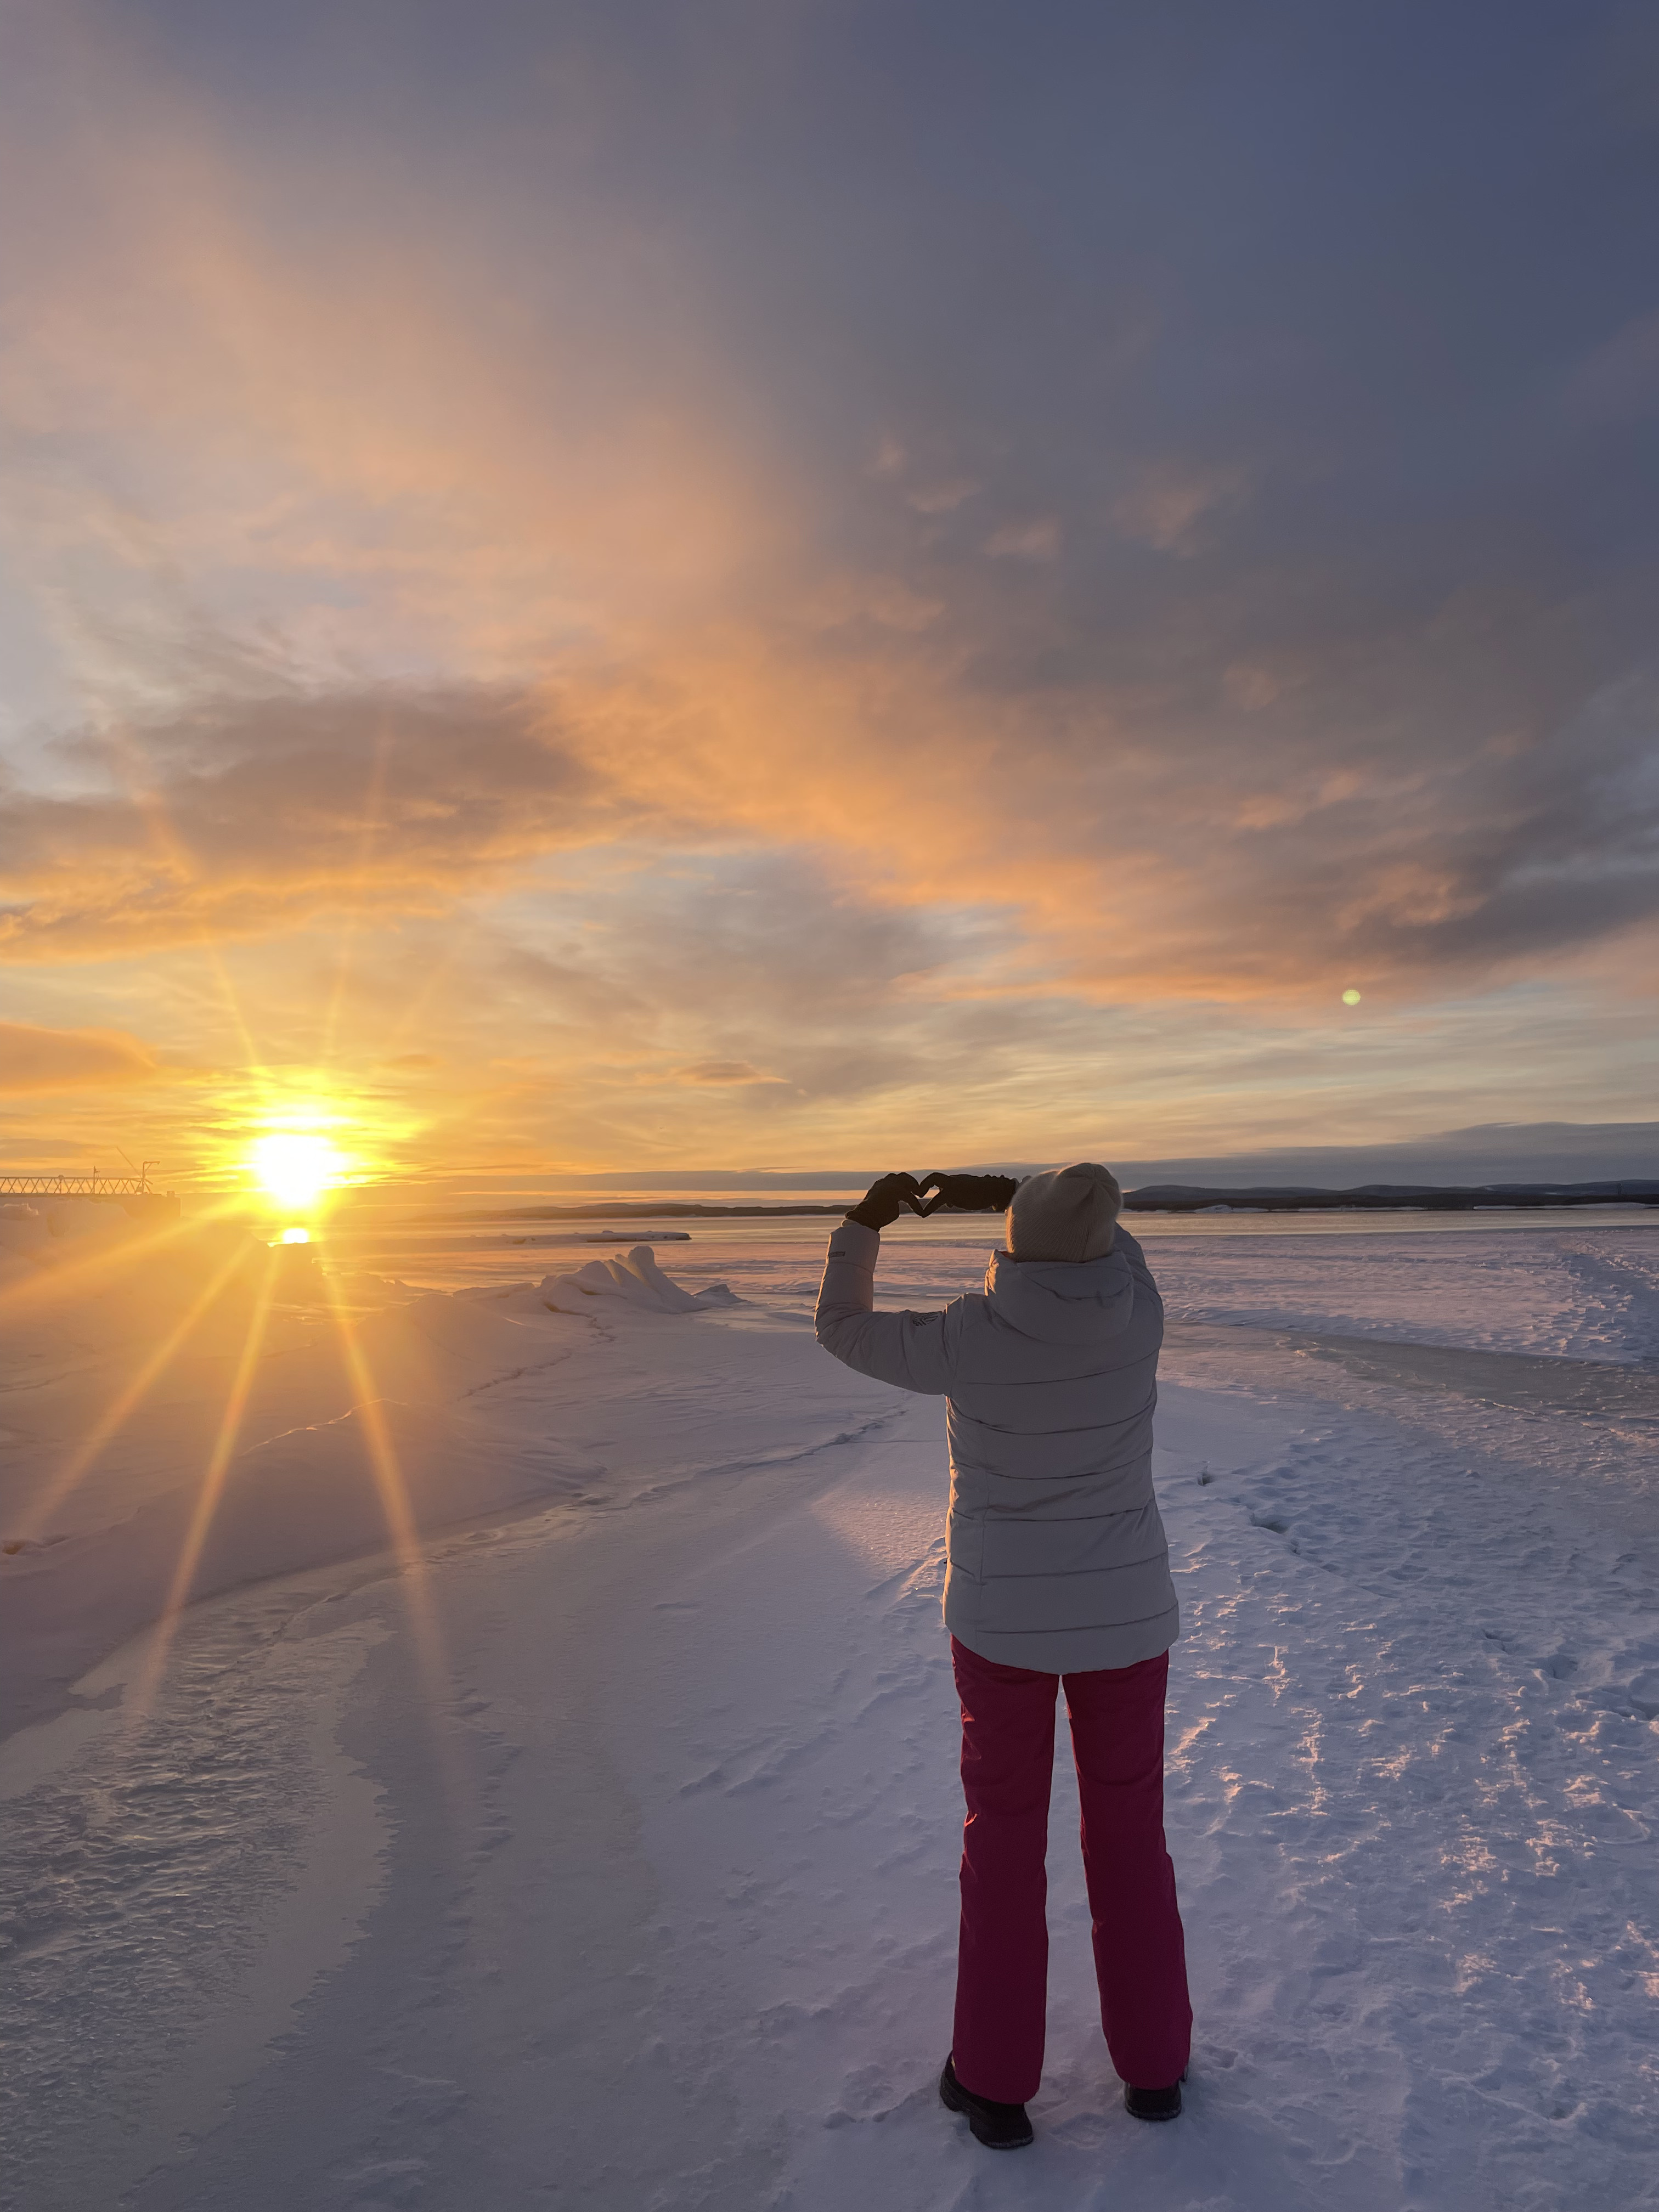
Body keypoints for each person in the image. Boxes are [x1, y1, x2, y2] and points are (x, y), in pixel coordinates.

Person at [814, 1163, 1191, 2151]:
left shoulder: (966, 1337)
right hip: (1126, 1623)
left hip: (1003, 1630)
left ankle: (994, 2083)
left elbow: (842, 1326)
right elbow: (1112, 1246)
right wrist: (1034, 1201)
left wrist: (867, 1223)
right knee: (1131, 1844)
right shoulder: (1139, 1316)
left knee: (1005, 1847)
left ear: (1016, 1242)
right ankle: (1155, 2072)